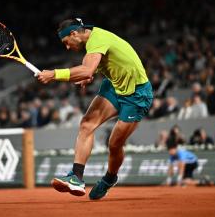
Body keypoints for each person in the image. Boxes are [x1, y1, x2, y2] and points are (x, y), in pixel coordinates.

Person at [37, 18, 153, 200]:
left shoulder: (97, 40)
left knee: (114, 144)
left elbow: (86, 69)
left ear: (74, 34)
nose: (67, 48)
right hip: (115, 85)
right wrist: (90, 74)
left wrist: (54, 74)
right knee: (86, 125)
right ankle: (76, 177)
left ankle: (109, 179)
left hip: (137, 93)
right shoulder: (92, 37)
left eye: (66, 43)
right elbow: (107, 61)